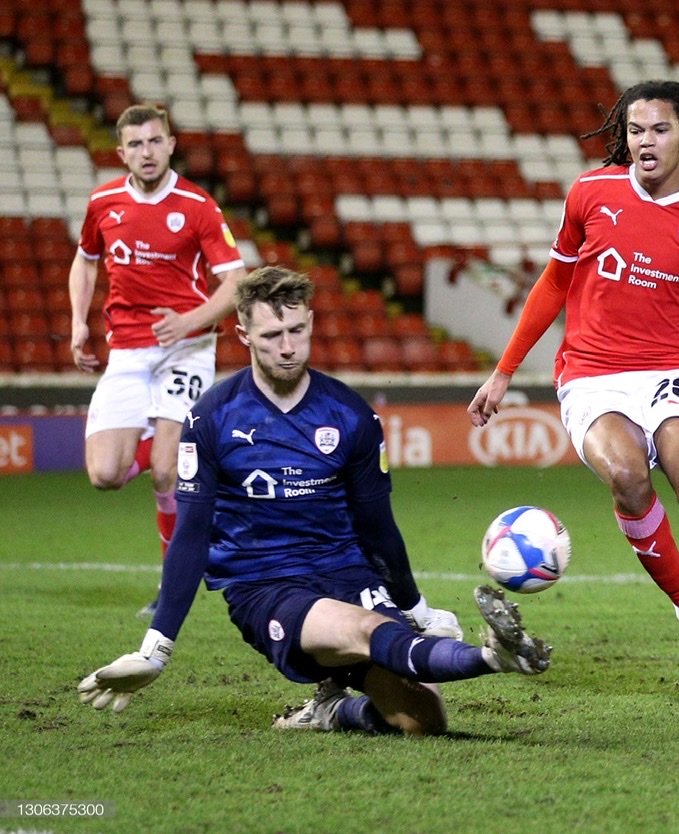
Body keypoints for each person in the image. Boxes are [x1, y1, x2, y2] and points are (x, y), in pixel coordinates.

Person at [78, 267, 551, 736]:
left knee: (422, 718)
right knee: (363, 631)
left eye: (296, 330)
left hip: (345, 571)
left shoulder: (350, 415)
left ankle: (329, 712)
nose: (287, 347)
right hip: (264, 584)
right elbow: (191, 536)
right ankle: (494, 656)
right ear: (243, 334)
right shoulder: (210, 419)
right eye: (271, 335)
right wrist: (154, 650)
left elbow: (377, 528)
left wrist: (417, 608)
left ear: (311, 323)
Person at [468, 80, 679, 694]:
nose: (644, 143)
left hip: (672, 371)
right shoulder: (591, 192)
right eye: (634, 131)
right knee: (629, 478)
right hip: (591, 374)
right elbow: (553, 283)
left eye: (658, 130)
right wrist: (504, 371)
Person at [69, 104, 248, 617]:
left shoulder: (198, 206)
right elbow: (84, 261)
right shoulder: (103, 201)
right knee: (105, 474)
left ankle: (174, 582)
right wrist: (79, 320)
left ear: (171, 144)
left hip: (186, 348)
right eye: (136, 144)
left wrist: (190, 321)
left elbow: (235, 283)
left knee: (167, 473)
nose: (146, 152)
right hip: (126, 349)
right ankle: (155, 441)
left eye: (155, 141)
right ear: (121, 151)